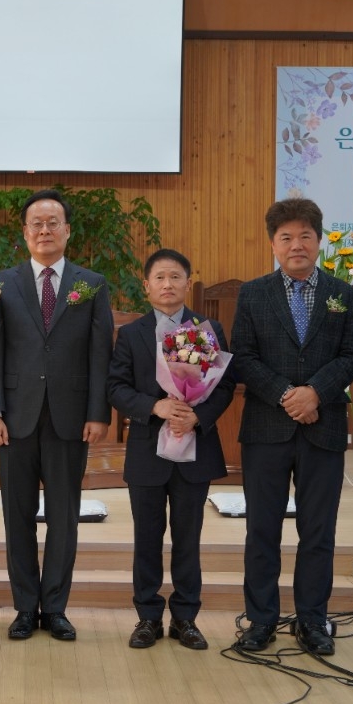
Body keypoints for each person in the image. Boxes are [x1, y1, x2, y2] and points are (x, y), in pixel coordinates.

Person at [0, 189, 114, 641]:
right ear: (24, 232)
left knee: (64, 516)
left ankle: (55, 608)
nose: (44, 230)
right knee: (16, 516)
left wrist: (98, 412)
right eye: (36, 223)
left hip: (70, 417)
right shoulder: (2, 283)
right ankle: (24, 608)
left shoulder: (91, 283)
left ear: (67, 230)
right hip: (15, 417)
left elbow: (100, 353)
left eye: (53, 222)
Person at [231, 198, 353, 656]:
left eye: (305, 236)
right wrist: (288, 395)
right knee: (261, 531)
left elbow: (352, 355)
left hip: (323, 427)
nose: (296, 245)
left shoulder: (343, 294)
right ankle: (261, 620)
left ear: (319, 240)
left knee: (318, 531)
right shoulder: (253, 293)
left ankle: (312, 620)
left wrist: (315, 394)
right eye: (286, 237)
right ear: (273, 244)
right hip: (266, 427)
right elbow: (243, 355)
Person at [106, 249, 237, 651]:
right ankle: (148, 616)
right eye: (160, 277)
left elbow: (226, 386)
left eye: (176, 277)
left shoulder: (208, 328)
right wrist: (155, 407)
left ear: (188, 283)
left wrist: (197, 416)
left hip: (195, 449)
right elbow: (116, 387)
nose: (168, 284)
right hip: (148, 450)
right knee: (147, 538)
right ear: (146, 286)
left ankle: (185, 618)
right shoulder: (132, 334)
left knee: (188, 537)